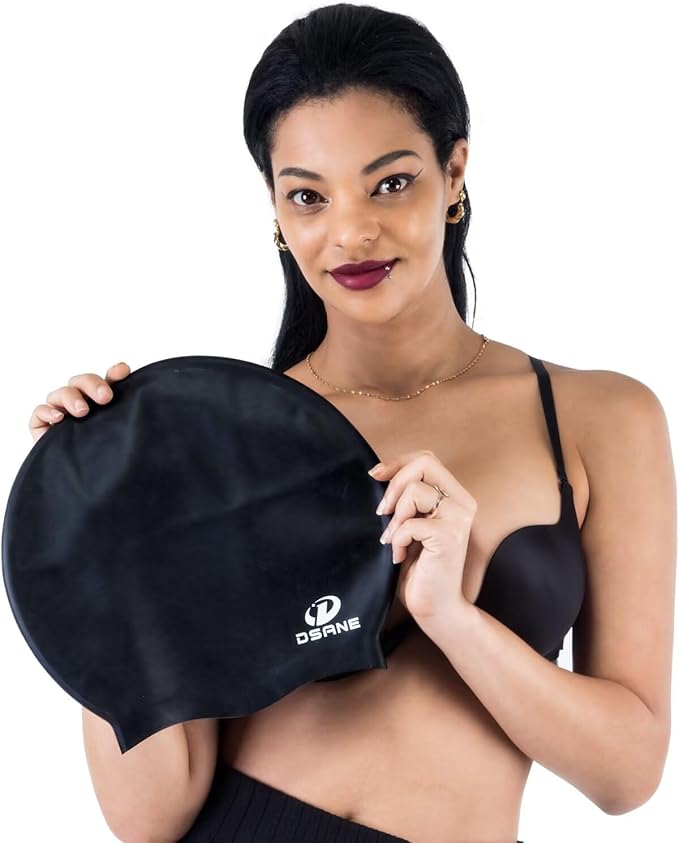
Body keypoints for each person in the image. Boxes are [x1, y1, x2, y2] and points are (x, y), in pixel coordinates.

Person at [28, 4, 675, 842]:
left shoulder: (601, 417)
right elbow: (151, 815)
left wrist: (452, 618)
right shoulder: (221, 442)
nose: (351, 232)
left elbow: (626, 773)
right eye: (308, 196)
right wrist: (98, 537)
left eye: (390, 182)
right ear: (275, 208)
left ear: (454, 171)